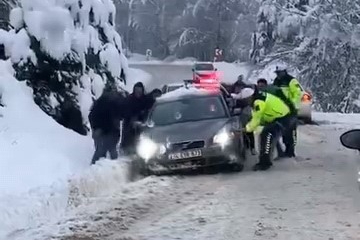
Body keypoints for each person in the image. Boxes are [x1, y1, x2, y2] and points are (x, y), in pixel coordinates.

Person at [245, 89, 293, 171]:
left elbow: (256, 119)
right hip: (278, 117)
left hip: (282, 118)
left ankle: (265, 163)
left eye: (245, 100)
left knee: (267, 135)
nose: (246, 102)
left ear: (249, 97)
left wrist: (246, 129)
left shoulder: (258, 102)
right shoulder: (258, 98)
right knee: (268, 136)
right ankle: (272, 157)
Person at [88, 87, 128, 164]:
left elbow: (122, 114)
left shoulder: (116, 103)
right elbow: (92, 116)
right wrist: (96, 128)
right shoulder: (100, 103)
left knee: (110, 151)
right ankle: (95, 168)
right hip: (102, 131)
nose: (112, 94)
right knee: (101, 151)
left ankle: (112, 168)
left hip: (111, 131)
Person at [272, 64, 302, 158]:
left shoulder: (291, 81)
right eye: (277, 73)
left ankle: (290, 151)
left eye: (279, 73)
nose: (278, 75)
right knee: (281, 131)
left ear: (284, 71)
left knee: (290, 131)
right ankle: (284, 151)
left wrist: (291, 105)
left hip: (290, 111)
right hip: (279, 111)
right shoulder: (276, 81)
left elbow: (297, 94)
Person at [121, 82, 155, 154]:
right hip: (130, 128)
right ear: (134, 90)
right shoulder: (129, 100)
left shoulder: (146, 100)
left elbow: (151, 108)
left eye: (140, 91)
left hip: (144, 127)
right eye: (136, 90)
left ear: (142, 91)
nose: (138, 92)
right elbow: (125, 114)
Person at [231, 86, 256, 155]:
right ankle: (249, 147)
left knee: (248, 132)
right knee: (246, 133)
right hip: (243, 117)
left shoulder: (244, 98)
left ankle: (251, 147)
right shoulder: (239, 99)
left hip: (245, 116)